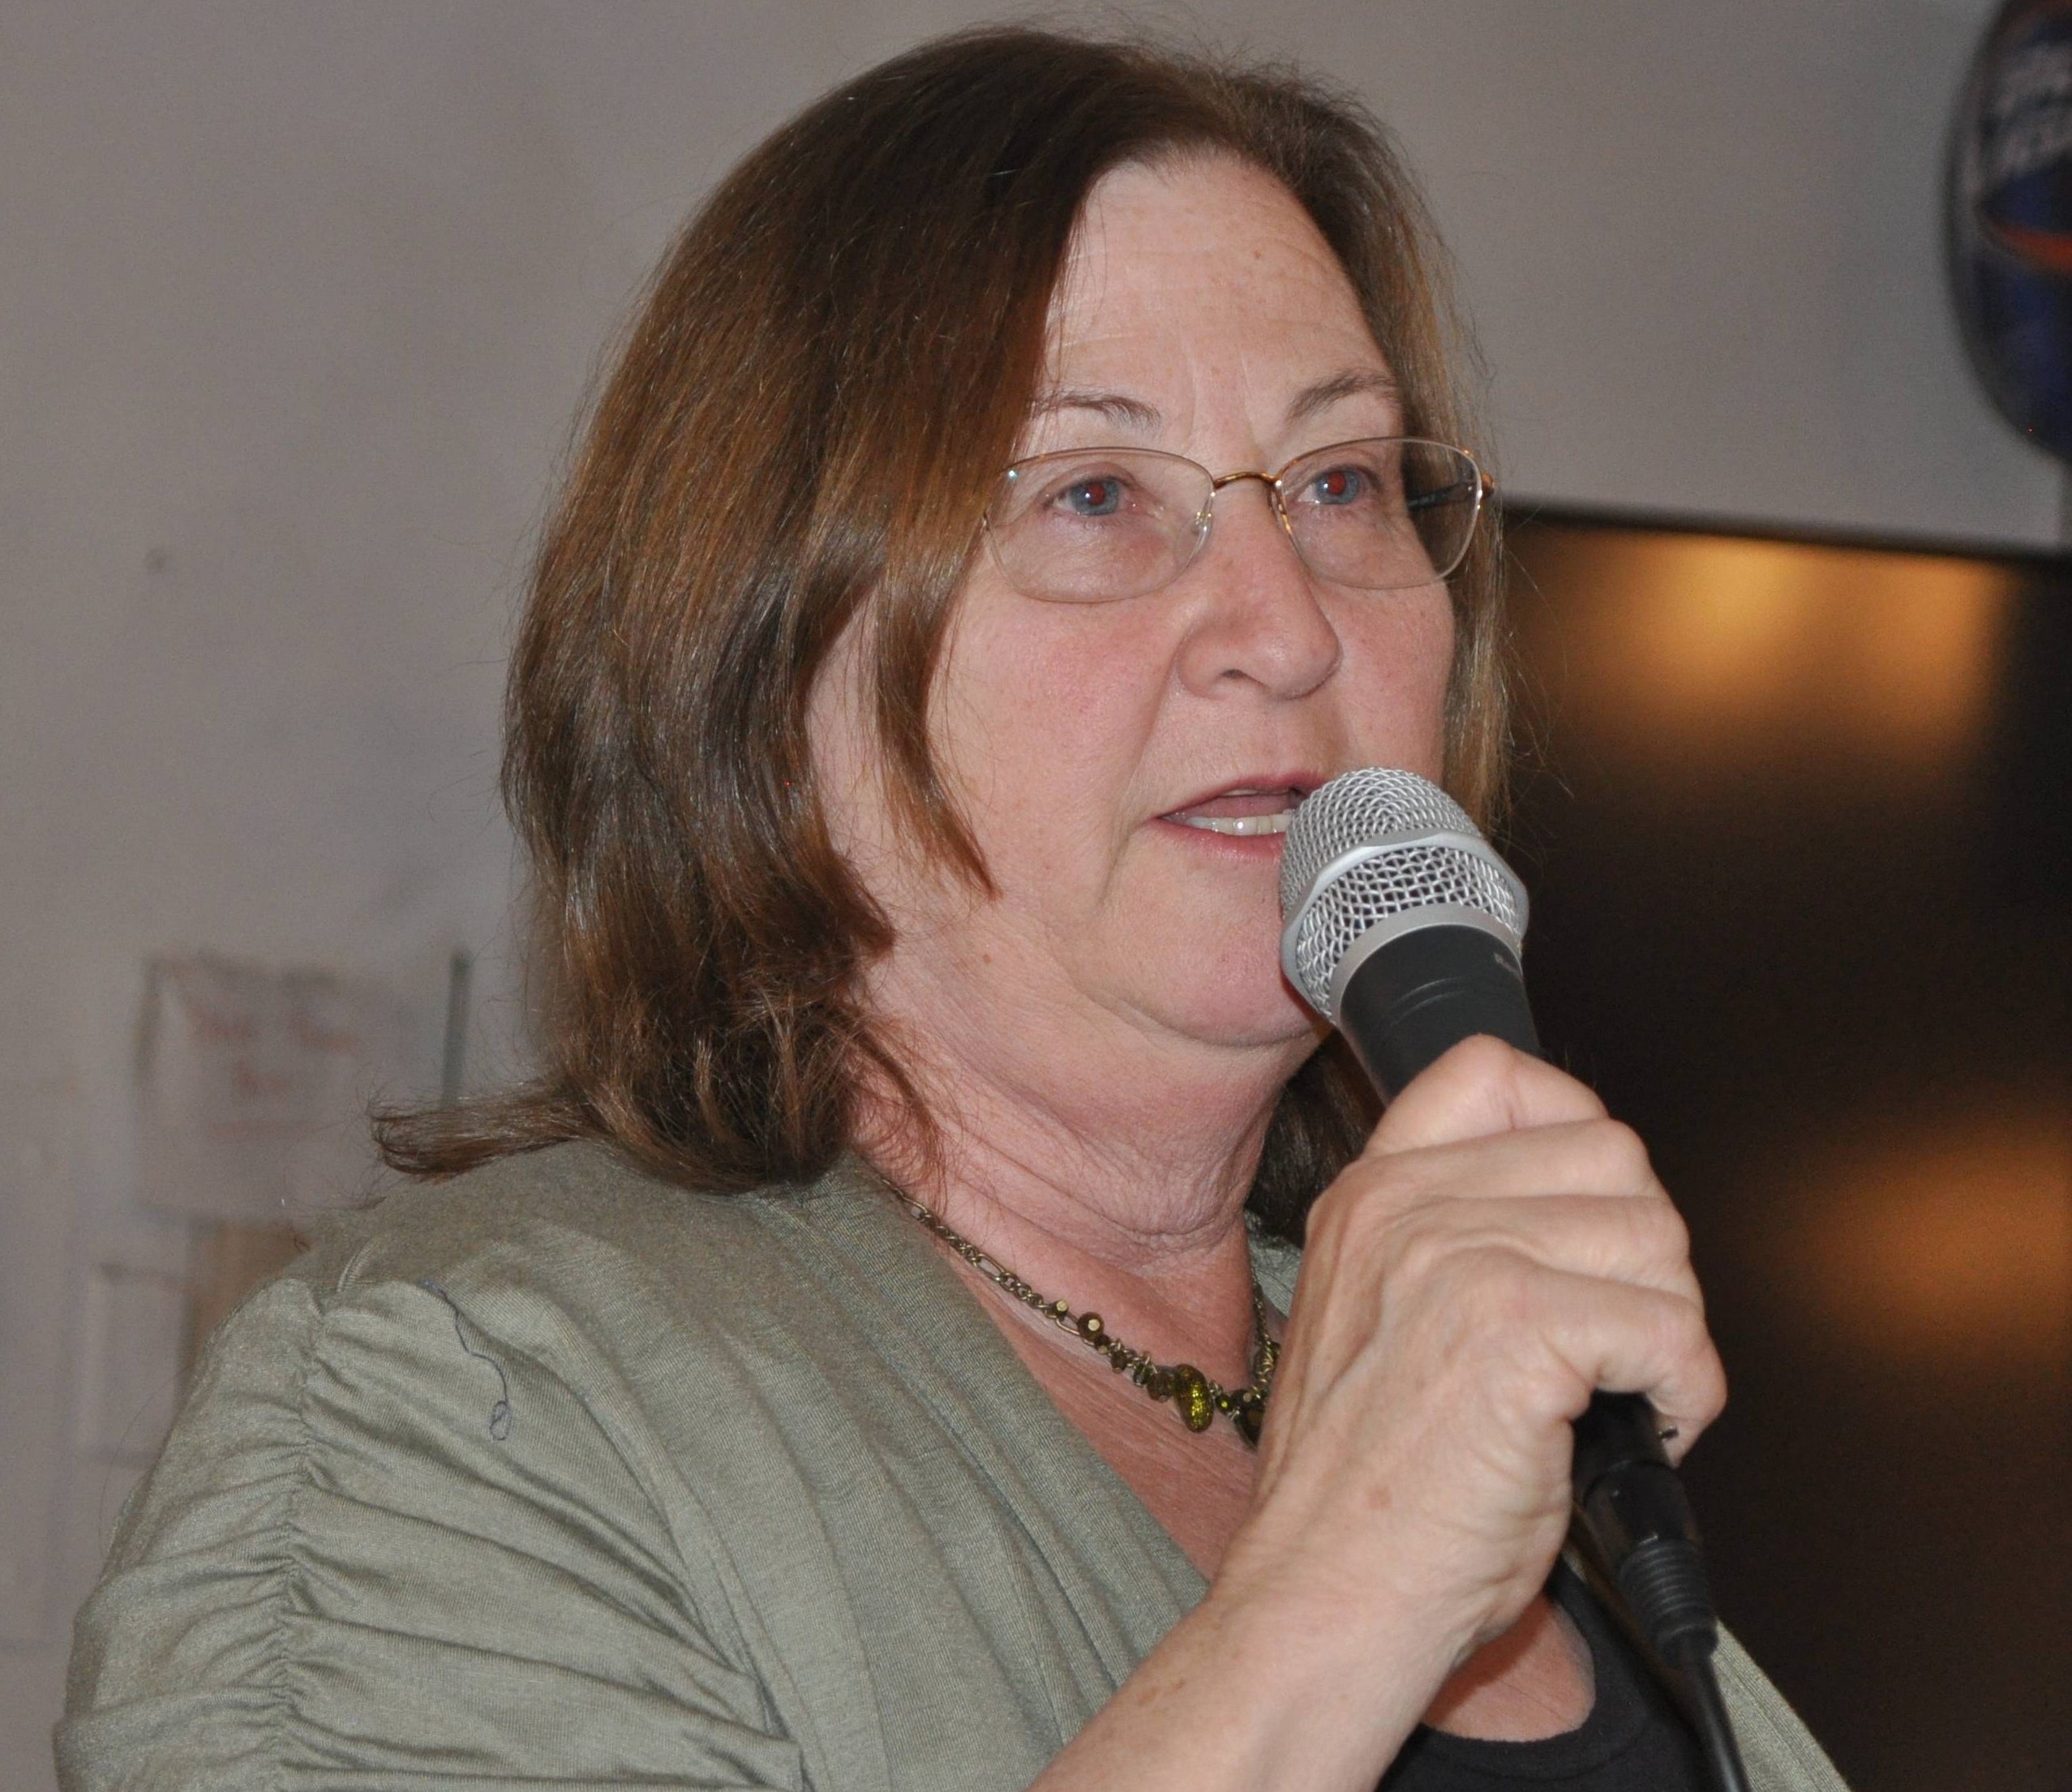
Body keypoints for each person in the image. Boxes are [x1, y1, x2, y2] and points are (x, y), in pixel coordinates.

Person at [58, 28, 1848, 1792]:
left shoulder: (1491, 1405)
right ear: (764, 660)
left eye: (1339, 483)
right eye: (1093, 493)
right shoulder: (457, 1411)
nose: (1290, 625)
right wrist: (1338, 1596)